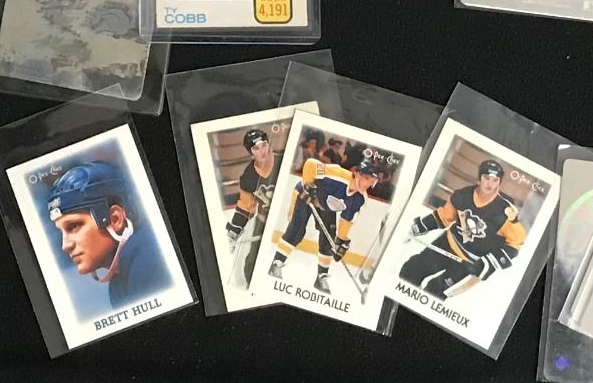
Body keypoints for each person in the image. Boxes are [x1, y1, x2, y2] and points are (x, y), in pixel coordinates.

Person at [398, 158, 528, 300]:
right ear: (479, 178)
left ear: (499, 182)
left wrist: (489, 263)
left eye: (495, 180)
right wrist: (418, 227)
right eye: (486, 178)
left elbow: (517, 242)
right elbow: (444, 217)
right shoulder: (464, 195)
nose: (490, 184)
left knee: (434, 291)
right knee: (411, 270)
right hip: (447, 244)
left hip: (470, 263)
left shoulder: (504, 211)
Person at [46, 160, 163, 307]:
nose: (65, 245)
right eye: (62, 231)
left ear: (115, 219)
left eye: (74, 226)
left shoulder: (150, 263)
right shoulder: (122, 277)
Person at [269, 145, 383, 293]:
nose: (368, 184)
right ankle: (276, 264)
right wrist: (308, 185)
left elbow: (346, 220)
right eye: (366, 178)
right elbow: (310, 164)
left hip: (326, 207)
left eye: (371, 181)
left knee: (329, 241)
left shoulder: (360, 199)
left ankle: (321, 278)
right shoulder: (335, 174)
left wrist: (340, 240)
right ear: (357, 175)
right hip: (307, 196)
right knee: (296, 231)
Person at [223, 126, 280, 288]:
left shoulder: (284, 161)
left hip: (286, 221)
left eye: (264, 145)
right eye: (256, 148)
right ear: (251, 153)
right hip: (263, 222)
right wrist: (233, 232)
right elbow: (245, 208)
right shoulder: (248, 178)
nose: (262, 150)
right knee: (251, 266)